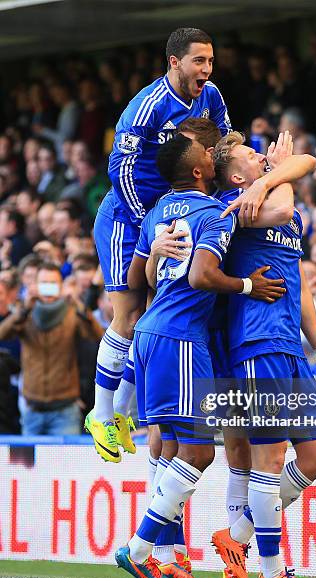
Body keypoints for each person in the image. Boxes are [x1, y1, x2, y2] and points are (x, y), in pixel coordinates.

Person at [114, 135, 285, 578]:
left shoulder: (157, 213)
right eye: (206, 153)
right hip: (183, 338)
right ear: (198, 171)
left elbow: (138, 278)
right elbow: (202, 274)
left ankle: (168, 560)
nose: (211, 154)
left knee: (170, 447)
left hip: (149, 333)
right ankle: (140, 548)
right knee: (198, 451)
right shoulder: (213, 213)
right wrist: (247, 285)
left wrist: (155, 255)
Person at [209, 131, 316, 578]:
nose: (262, 156)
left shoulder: (275, 200)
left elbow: (299, 284)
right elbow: (284, 204)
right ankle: (270, 573)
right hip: (256, 339)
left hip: (290, 344)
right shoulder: (237, 205)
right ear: (234, 175)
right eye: (252, 155)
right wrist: (271, 179)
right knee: (269, 457)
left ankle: (236, 536)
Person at [88, 28, 231, 461]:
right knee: (128, 315)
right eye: (198, 62)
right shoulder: (148, 105)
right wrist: (148, 227)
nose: (206, 70)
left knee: (156, 315)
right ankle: (100, 414)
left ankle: (127, 414)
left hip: (169, 214)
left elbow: (222, 145)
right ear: (174, 62)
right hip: (127, 217)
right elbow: (120, 166)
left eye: (210, 61)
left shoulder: (212, 96)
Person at [0, 262, 103, 435]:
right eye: (44, 284)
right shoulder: (25, 312)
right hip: (32, 407)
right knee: (31, 463)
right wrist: (25, 309)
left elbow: (96, 335)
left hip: (65, 409)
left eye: (53, 284)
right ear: (35, 285)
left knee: (64, 462)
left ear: (61, 286)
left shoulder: (71, 311)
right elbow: (3, 334)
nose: (48, 289)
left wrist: (78, 303)